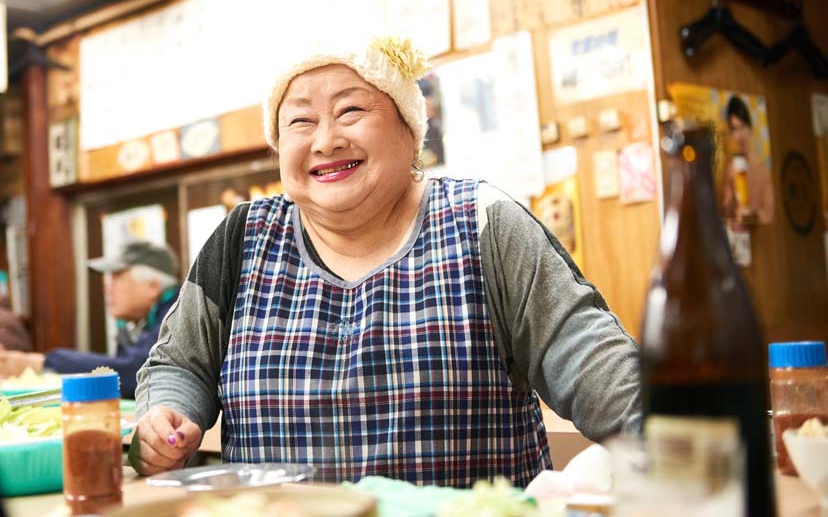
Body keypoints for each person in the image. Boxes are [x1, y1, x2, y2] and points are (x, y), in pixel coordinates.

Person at [129, 36, 641, 486]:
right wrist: (165, 415)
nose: (326, 140)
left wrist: (688, 436)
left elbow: (598, 369)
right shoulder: (242, 238)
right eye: (300, 122)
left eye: (350, 111)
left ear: (409, 131)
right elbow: (178, 364)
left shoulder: (485, 224)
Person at [0, 239, 179, 399]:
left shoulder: (177, 316)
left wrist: (45, 363)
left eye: (117, 277)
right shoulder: (138, 323)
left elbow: (136, 373)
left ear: (152, 287)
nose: (107, 289)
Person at [721, 95, 775, 224]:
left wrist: (754, 215)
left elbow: (770, 213)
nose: (739, 136)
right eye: (734, 129)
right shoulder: (729, 169)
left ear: (750, 128)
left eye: (743, 127)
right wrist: (731, 191)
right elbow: (725, 213)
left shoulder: (762, 170)